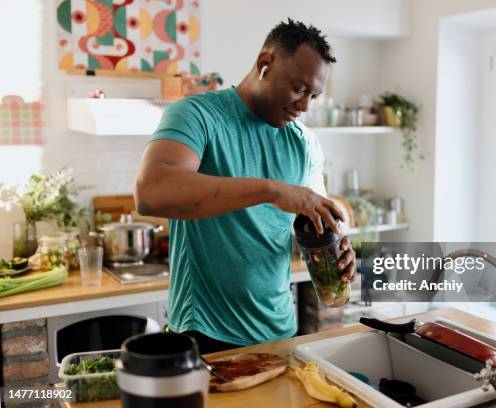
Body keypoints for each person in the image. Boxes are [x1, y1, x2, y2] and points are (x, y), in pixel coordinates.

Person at [134, 19, 356, 354]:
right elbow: (152, 191)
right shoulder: (197, 115)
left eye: (314, 95)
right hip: (205, 336)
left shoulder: (305, 143)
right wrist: (273, 190)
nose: (305, 106)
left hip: (281, 331)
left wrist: (336, 249)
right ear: (265, 64)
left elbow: (317, 224)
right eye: (298, 88)